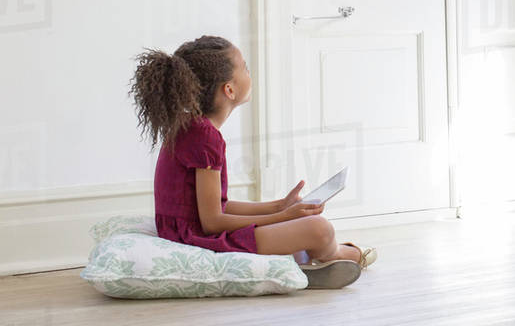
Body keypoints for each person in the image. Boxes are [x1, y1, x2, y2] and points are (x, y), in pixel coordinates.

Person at [129, 35, 377, 288]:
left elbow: (216, 206)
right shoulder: (204, 137)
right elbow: (212, 221)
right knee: (320, 229)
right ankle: (338, 255)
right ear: (229, 89)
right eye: (245, 67)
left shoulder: (189, 127)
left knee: (298, 224)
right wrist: (282, 217)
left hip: (187, 231)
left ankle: (303, 260)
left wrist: (278, 207)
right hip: (196, 238)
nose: (250, 71)